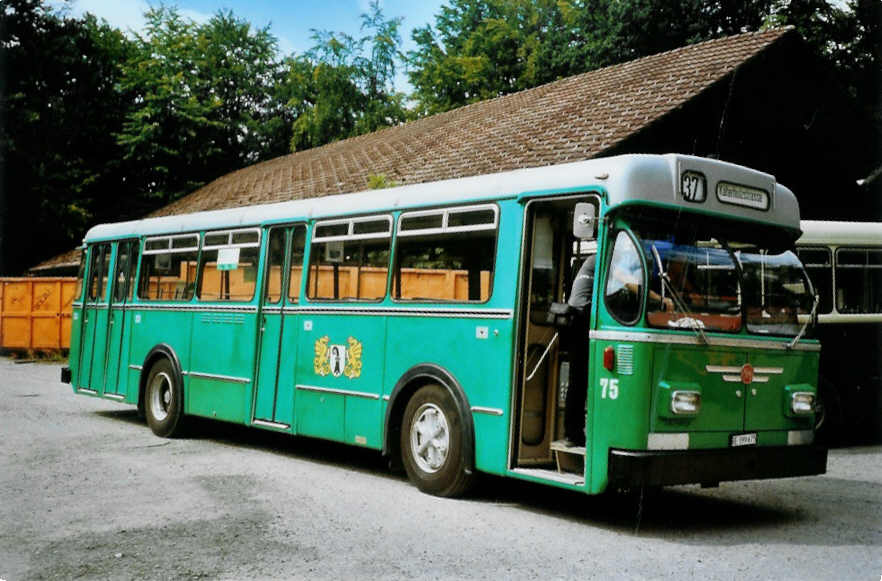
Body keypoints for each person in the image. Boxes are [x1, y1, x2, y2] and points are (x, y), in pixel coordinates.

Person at [563, 254, 595, 447]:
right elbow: (625, 283)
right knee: (580, 379)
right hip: (581, 320)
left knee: (579, 380)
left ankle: (573, 432)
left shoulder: (593, 259)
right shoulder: (604, 258)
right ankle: (573, 433)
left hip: (578, 319)